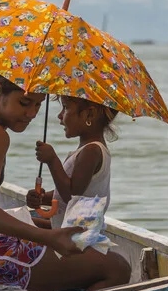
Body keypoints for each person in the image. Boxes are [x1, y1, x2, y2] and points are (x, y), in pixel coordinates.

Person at [0, 67, 131, 291]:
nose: (31, 113)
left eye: (38, 106)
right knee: (117, 268)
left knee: (37, 221)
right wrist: (49, 237)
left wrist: (45, 232)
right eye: (25, 103)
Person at [28, 96, 117, 228]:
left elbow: (71, 196)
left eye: (65, 108)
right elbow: (80, 190)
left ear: (89, 114)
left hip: (77, 241)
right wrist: (44, 198)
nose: (60, 115)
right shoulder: (89, 149)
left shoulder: (92, 151)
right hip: (72, 234)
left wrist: (52, 160)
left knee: (15, 222)